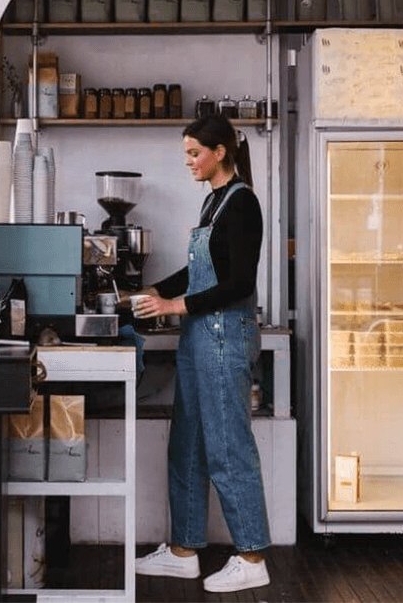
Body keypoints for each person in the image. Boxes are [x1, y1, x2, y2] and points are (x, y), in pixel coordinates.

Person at [132, 115, 270, 593]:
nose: (189, 163)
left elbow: (239, 284)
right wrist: (149, 292)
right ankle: (184, 551)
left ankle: (251, 556)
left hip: (225, 337)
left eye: (194, 153)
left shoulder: (242, 203)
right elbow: (197, 276)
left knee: (228, 448)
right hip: (198, 339)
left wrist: (172, 305)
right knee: (187, 444)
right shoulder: (214, 202)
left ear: (220, 152)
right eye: (186, 155)